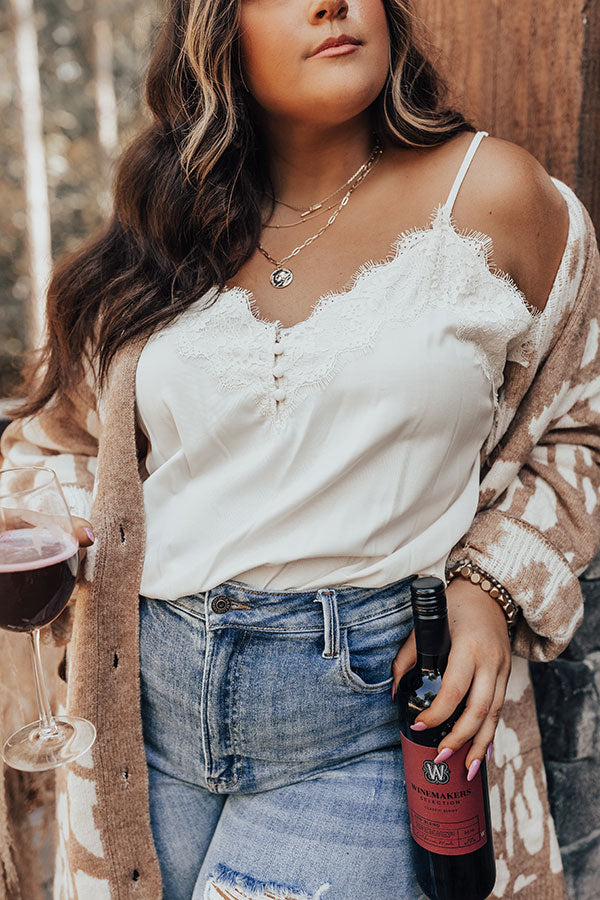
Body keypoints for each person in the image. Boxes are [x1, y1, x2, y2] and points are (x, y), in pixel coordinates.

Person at [1, 0, 599, 897]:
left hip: (368, 714)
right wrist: (42, 518)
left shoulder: (497, 195)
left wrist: (491, 584)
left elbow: (583, 425)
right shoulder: (163, 233)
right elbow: (58, 444)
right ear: (215, 34)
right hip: (143, 712)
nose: (332, 2)